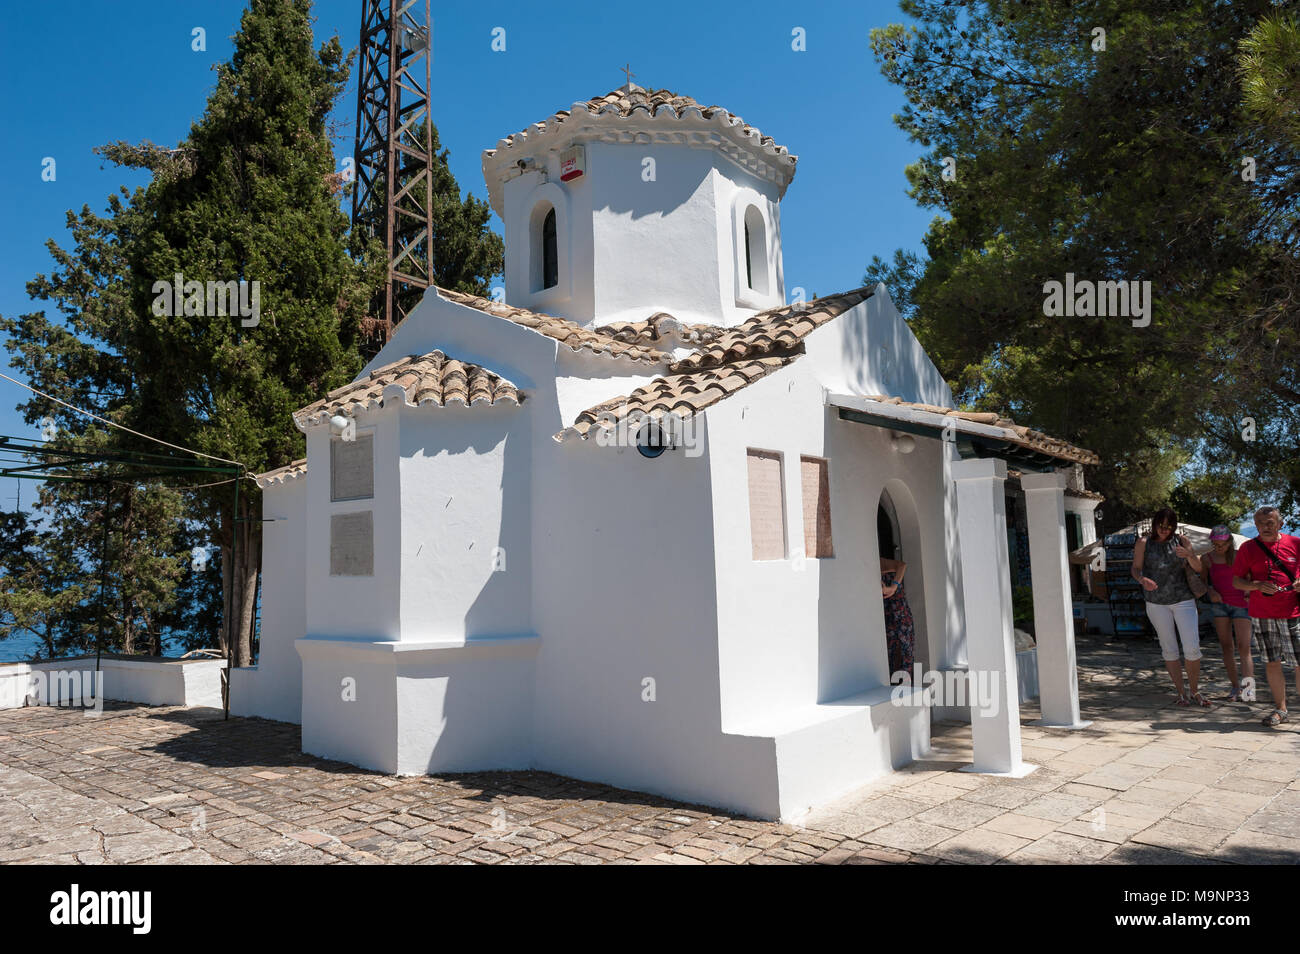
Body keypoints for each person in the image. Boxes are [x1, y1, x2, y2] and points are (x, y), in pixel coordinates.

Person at [1231, 506, 1300, 727]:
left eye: (1269, 522)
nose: (1264, 527)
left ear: (1280, 524)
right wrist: (1256, 585)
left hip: (1293, 613)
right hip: (1262, 615)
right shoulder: (1248, 548)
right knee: (1272, 662)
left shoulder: (1296, 544)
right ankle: (1281, 709)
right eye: (1260, 524)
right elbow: (1236, 581)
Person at [1132, 507, 1207, 706]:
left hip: (1183, 599)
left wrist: (1189, 555)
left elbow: (1199, 568)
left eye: (1169, 526)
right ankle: (1181, 693)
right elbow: (1135, 568)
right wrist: (1142, 579)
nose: (1165, 530)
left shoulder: (1182, 541)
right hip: (1156, 601)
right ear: (1155, 524)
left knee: (1192, 647)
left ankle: (1194, 691)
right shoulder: (1144, 543)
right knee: (1169, 649)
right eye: (1161, 526)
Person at [1200, 525, 1254, 701]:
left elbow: (1251, 578)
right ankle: (1235, 687)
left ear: (1229, 542)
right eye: (1215, 544)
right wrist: (1210, 591)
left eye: (1222, 544)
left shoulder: (1240, 556)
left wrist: (1248, 592)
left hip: (1241, 605)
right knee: (1226, 646)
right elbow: (1203, 582)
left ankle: (1248, 691)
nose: (1219, 548)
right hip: (1220, 605)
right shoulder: (1207, 558)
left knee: (1244, 647)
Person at [880, 557, 916, 680]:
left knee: (905, 659)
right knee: (888, 661)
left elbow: (902, 565)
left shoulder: (879, 562)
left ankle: (907, 696)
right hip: (885, 619)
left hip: (901, 615)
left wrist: (893, 587)